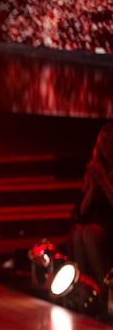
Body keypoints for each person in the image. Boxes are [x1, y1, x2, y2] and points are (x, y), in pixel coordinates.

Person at [67, 123, 113, 296]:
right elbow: (80, 212)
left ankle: (104, 290)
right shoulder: (93, 168)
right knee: (78, 232)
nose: (108, 147)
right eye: (105, 142)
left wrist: (105, 183)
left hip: (109, 222)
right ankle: (83, 289)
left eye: (112, 142)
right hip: (92, 220)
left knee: (89, 233)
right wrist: (93, 187)